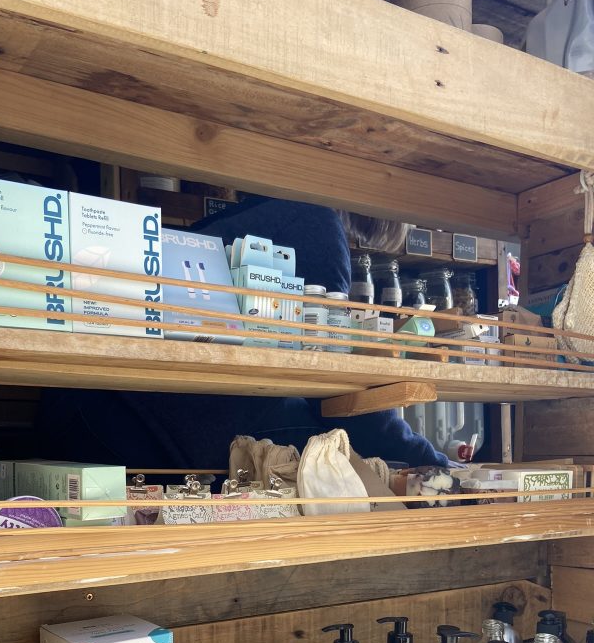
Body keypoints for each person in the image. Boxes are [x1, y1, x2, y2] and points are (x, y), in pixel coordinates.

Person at [34, 197, 446, 470]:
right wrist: (433, 466)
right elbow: (344, 392)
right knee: (333, 449)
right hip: (126, 426)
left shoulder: (268, 212)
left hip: (84, 411)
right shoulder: (315, 227)